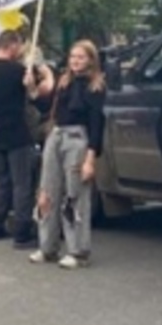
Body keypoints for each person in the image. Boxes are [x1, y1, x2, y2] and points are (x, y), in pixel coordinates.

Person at [31, 40, 106, 269]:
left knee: (74, 195)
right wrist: (33, 89)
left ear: (91, 60)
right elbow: (48, 109)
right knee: (47, 191)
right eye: (73, 56)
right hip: (56, 135)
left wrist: (90, 159)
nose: (75, 61)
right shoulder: (64, 81)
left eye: (81, 57)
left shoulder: (96, 87)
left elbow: (96, 124)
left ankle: (78, 250)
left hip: (77, 138)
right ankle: (48, 246)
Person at [0, 30, 54, 249]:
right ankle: (22, 232)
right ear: (12, 45)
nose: (21, 50)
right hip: (18, 133)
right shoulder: (18, 71)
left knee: (3, 183)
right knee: (22, 184)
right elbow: (41, 96)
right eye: (19, 46)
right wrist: (46, 75)